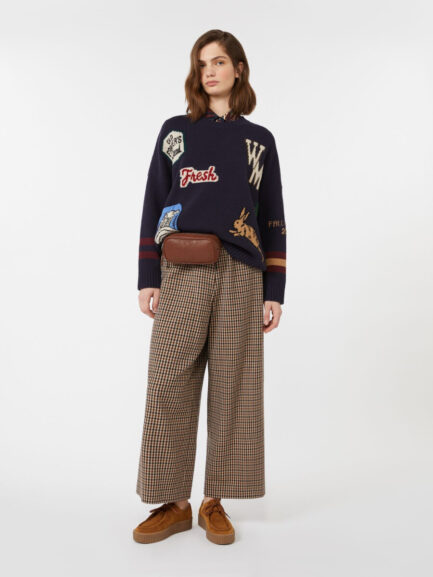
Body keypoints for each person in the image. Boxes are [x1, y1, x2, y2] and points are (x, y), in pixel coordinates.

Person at [133, 29, 286, 545]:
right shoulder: (175, 132)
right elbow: (153, 203)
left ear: (238, 68)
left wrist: (274, 289)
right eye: (202, 65)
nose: (210, 72)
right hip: (182, 269)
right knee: (168, 380)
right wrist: (148, 276)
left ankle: (214, 500)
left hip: (242, 273)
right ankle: (172, 502)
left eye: (219, 62)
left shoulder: (259, 140)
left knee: (233, 387)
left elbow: (273, 217)